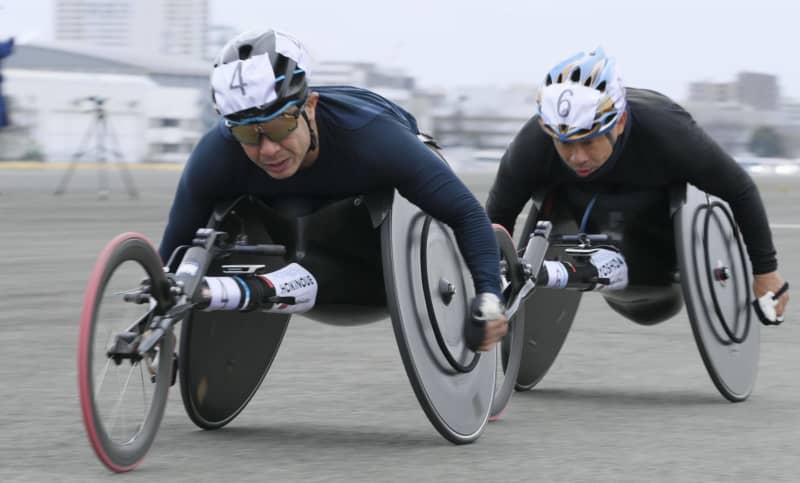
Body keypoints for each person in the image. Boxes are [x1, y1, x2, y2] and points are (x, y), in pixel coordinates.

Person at [159, 28, 506, 350]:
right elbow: (175, 249)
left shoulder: (374, 138)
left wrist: (490, 296)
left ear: (310, 107)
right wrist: (160, 325)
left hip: (370, 258)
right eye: (247, 134)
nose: (268, 150)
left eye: (279, 126)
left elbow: (466, 213)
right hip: (292, 242)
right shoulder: (217, 153)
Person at [486, 47, 789, 324]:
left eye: (588, 142)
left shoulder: (668, 132)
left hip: (657, 244)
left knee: (651, 294)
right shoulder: (533, 144)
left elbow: (740, 189)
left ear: (618, 123)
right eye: (564, 144)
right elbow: (497, 221)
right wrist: (489, 288)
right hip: (579, 213)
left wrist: (765, 273)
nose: (577, 157)